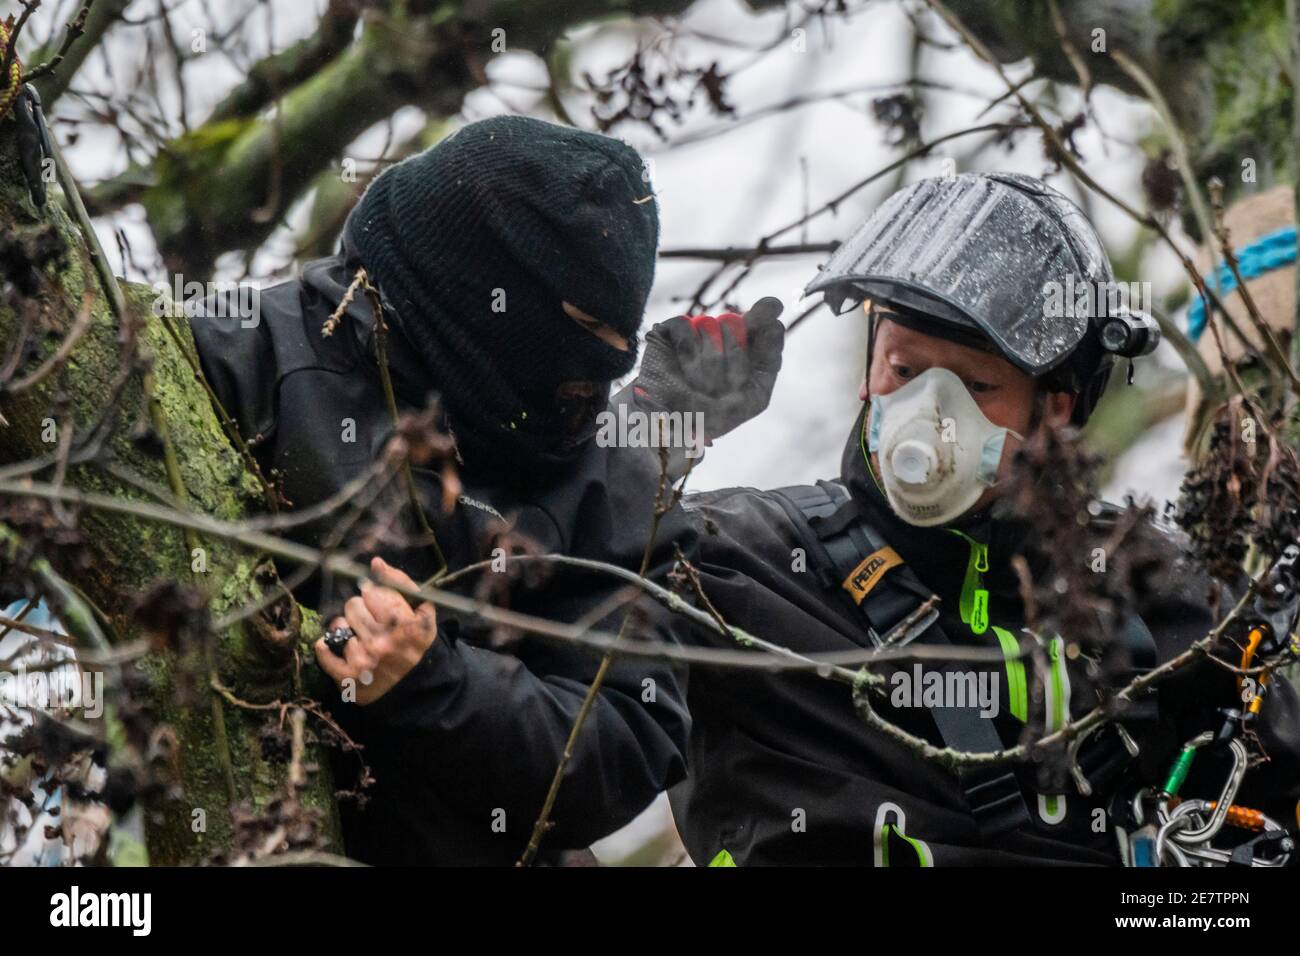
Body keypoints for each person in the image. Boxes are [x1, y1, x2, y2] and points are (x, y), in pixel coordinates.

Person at [188, 115, 785, 864]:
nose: (607, 363)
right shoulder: (245, 355)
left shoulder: (604, 471)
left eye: (621, 338)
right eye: (584, 322)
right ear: (481, 276)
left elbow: (625, 736)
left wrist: (435, 685)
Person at [671, 172, 1300, 866]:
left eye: (977, 385)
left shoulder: (1160, 596)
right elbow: (555, 668)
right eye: (904, 369)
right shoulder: (737, 565)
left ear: (1055, 409)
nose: (931, 414)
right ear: (869, 369)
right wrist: (642, 440)